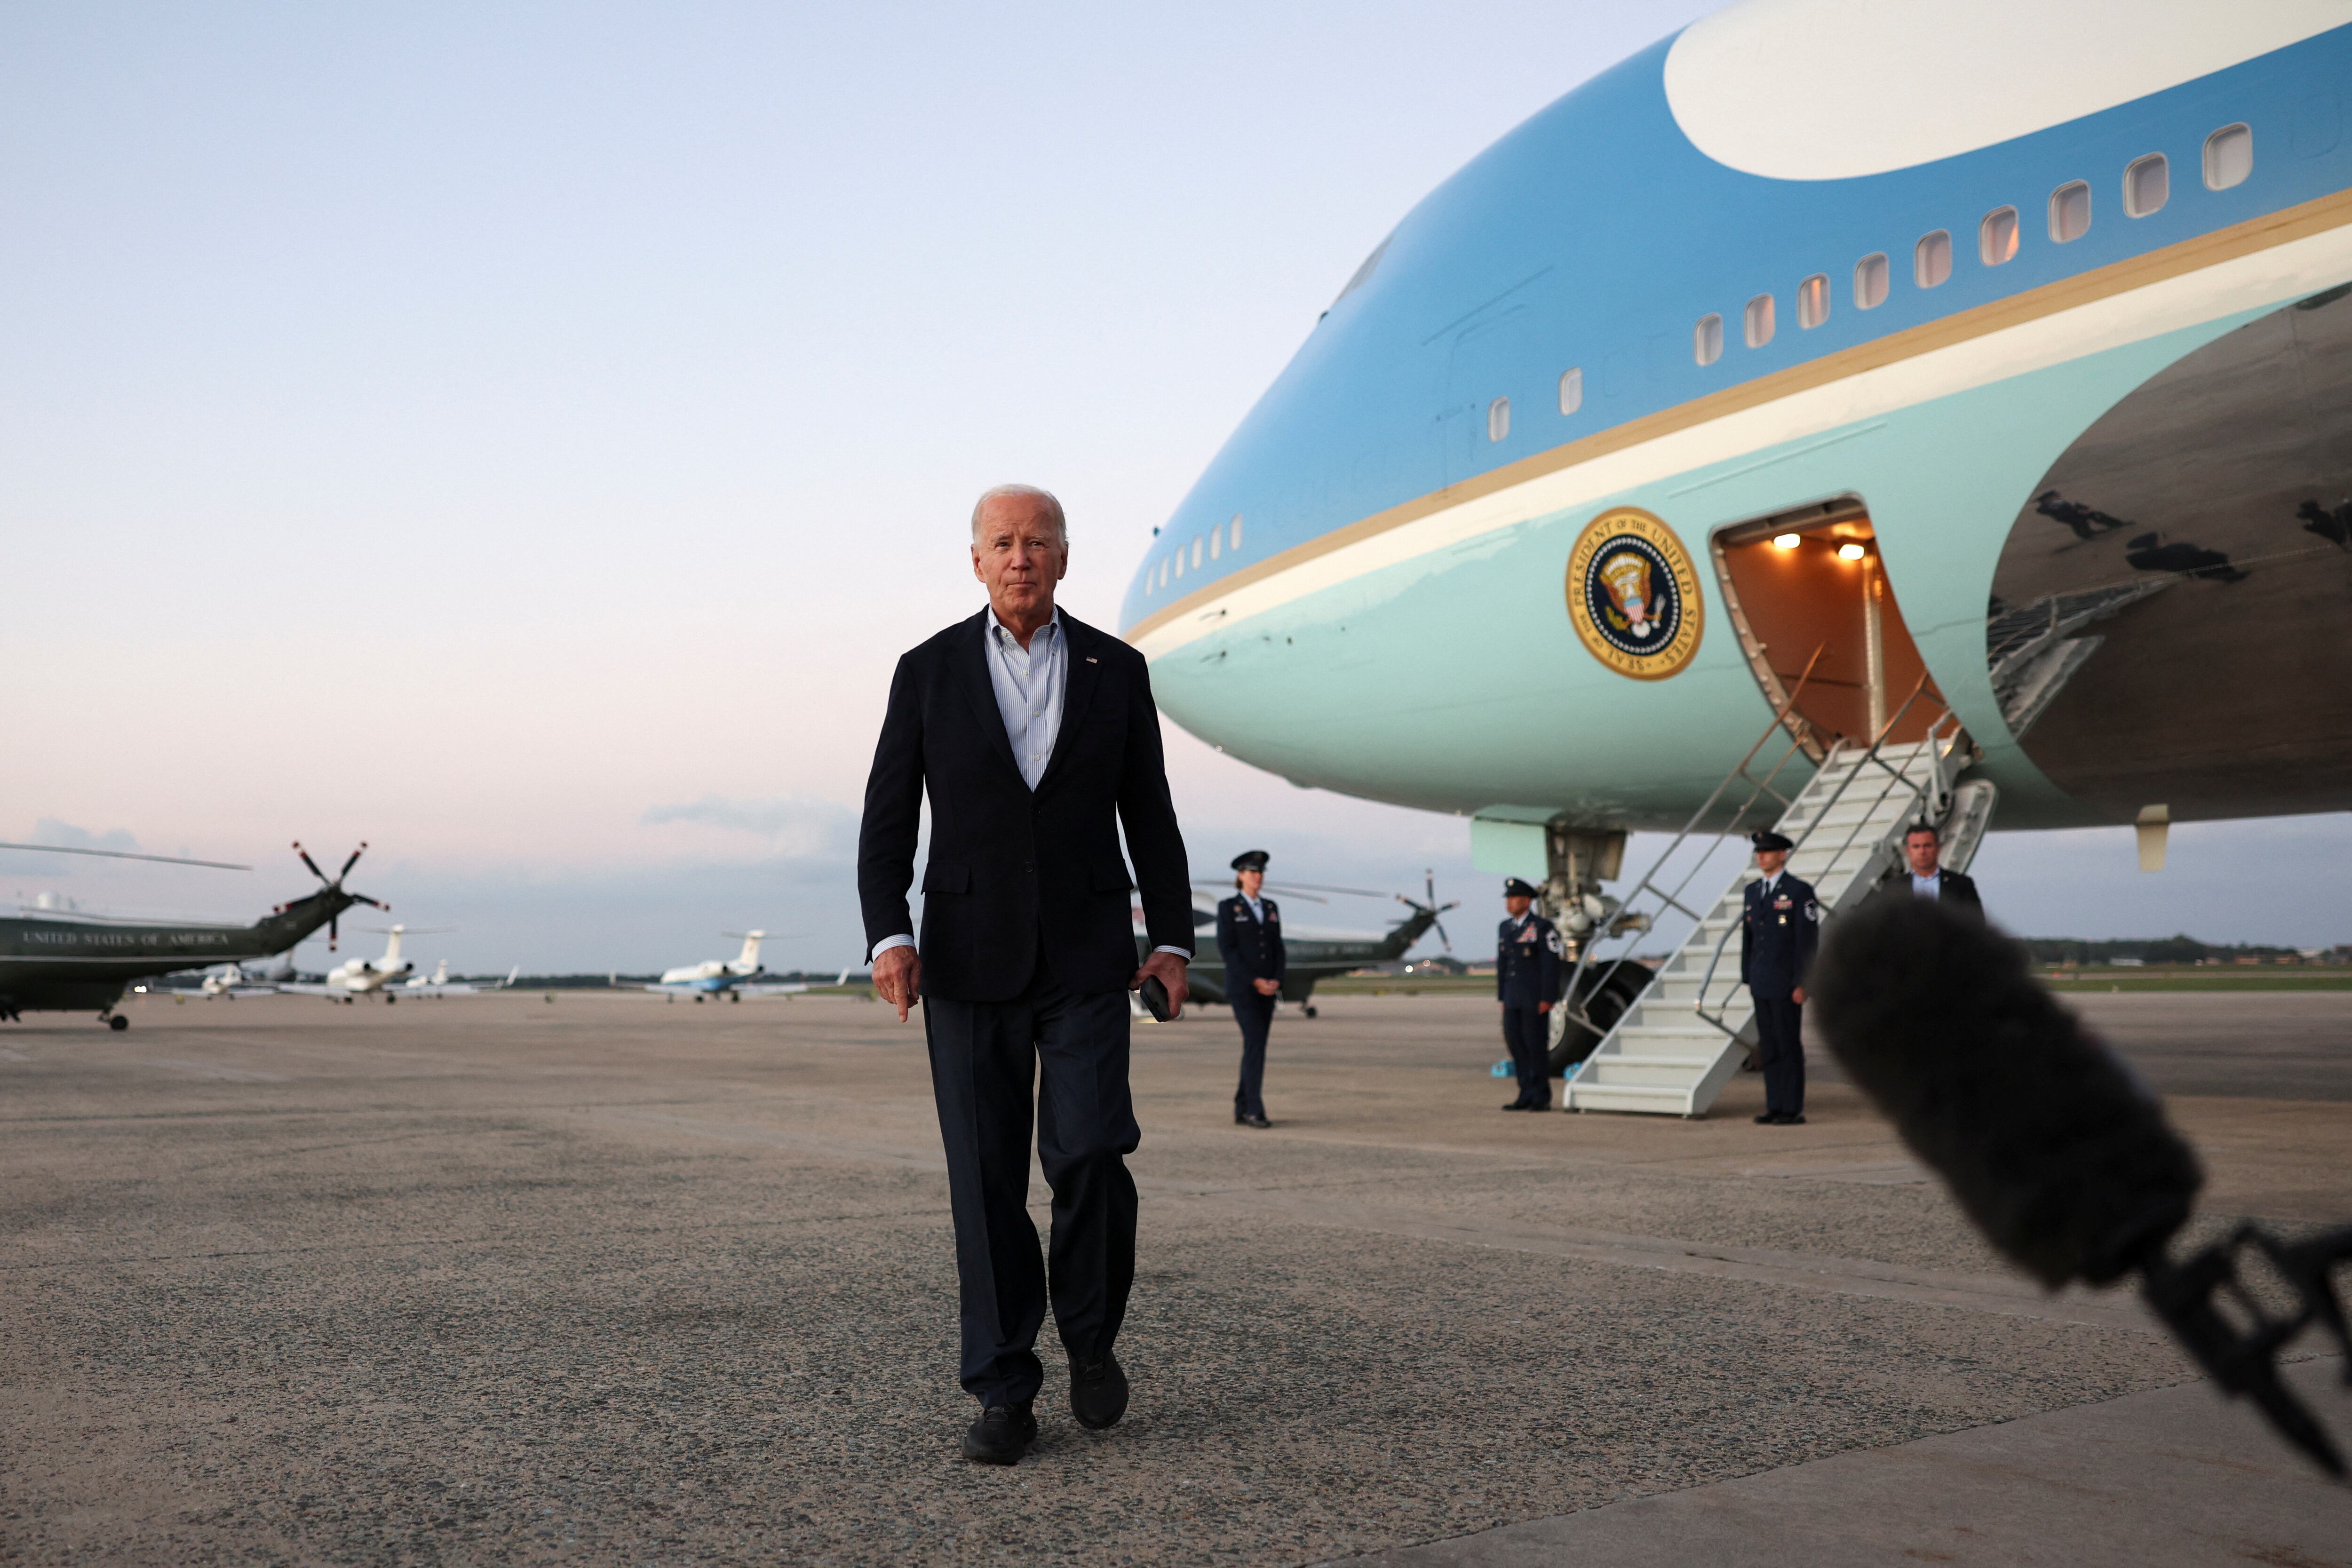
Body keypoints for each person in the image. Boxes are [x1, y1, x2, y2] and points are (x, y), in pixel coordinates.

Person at [857, 484, 1195, 1466]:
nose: (1020, 558)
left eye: (1037, 542)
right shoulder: (926, 671)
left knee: (1090, 1151)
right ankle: (1003, 1387)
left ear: (1062, 557)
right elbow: (888, 821)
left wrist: (1170, 938)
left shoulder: (1116, 669)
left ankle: (1090, 1338)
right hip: (963, 960)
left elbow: (1153, 816)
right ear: (975, 559)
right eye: (1002, 543)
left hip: (1089, 955)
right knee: (985, 1180)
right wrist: (889, 934)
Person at [1741, 829, 1819, 1126]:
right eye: (1759, 852)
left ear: (1782, 855)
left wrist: (1803, 982)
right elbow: (1749, 938)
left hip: (1787, 983)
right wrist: (1747, 976)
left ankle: (1792, 1109)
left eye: (1768, 851)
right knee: (1770, 1047)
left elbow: (1807, 941)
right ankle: (1774, 1105)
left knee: (1788, 1045)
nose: (1761, 856)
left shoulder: (1799, 891)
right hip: (1761, 981)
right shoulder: (1752, 891)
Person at [1216, 849, 1285, 1130]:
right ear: (1241, 876)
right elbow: (1228, 950)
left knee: (1255, 1045)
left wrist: (1277, 979)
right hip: (1244, 989)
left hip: (1268, 989)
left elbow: (1277, 947)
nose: (1258, 877)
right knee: (1255, 1043)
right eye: (1252, 872)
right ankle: (1254, 1109)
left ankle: (1242, 1106)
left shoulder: (1270, 908)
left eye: (1260, 873)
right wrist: (1255, 980)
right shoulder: (1229, 908)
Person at [1495, 877, 1563, 1111]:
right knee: (1517, 1046)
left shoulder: (1543, 928)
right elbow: (1503, 965)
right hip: (1513, 998)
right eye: (1508, 899)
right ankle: (1525, 1093)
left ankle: (1541, 1096)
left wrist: (1548, 997)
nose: (1509, 903)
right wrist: (1502, 997)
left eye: (1513, 899)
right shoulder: (1505, 928)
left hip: (1534, 999)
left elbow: (1550, 965)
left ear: (1526, 901)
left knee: (1535, 1047)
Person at [1868, 822, 1983, 915]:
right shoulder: (1893, 888)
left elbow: (1977, 925)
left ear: (1938, 848)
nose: (1922, 852)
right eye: (1916, 847)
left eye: (1927, 846)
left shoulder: (1962, 884)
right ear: (1908, 851)